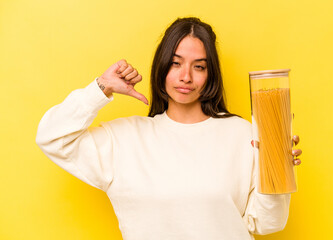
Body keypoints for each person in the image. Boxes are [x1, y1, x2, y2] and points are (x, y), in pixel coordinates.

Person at [36, 17, 302, 240]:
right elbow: (52, 138)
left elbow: (268, 223)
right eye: (176, 63)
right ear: (162, 67)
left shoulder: (244, 134)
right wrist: (101, 87)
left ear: (211, 75)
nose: (186, 76)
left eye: (199, 67)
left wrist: (277, 170)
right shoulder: (124, 139)